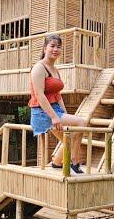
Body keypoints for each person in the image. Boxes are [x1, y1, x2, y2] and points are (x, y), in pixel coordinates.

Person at [29, 34, 86, 174]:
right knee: (81, 123)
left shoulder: (55, 69)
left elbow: (57, 94)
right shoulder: (39, 68)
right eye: (52, 46)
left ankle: (56, 163)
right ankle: (74, 161)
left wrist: (64, 112)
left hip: (55, 110)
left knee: (69, 138)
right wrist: (54, 117)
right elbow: (39, 95)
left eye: (58, 47)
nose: (55, 49)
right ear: (44, 48)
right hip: (42, 112)